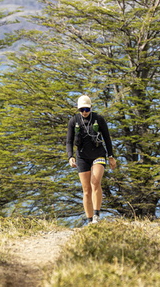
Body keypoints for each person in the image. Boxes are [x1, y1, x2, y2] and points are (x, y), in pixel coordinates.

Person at [66, 94, 117, 224]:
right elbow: (69, 141)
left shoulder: (98, 119)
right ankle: (89, 221)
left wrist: (111, 156)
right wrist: (70, 156)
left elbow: (107, 138)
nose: (84, 112)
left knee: (95, 182)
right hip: (82, 157)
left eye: (87, 109)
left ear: (91, 108)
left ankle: (96, 215)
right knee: (86, 190)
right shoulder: (73, 121)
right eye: (81, 109)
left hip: (98, 154)